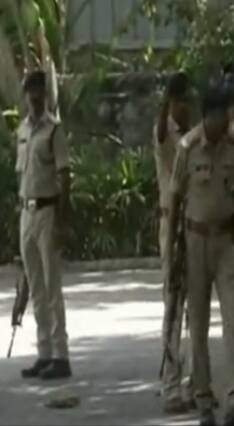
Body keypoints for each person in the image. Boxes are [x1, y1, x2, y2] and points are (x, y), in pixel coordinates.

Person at [166, 83, 234, 426]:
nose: (231, 118)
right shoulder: (187, 147)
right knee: (197, 324)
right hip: (194, 243)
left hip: (226, 242)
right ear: (210, 114)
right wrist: (172, 253)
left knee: (233, 315)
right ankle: (203, 397)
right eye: (226, 112)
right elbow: (175, 201)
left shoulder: (233, 148)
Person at [17, 70, 72, 380]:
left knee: (52, 286)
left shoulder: (54, 130)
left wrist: (63, 220)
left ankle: (61, 355)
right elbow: (21, 174)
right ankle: (44, 352)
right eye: (30, 92)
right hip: (27, 211)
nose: (34, 97)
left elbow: (65, 175)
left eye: (38, 91)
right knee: (36, 286)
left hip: (48, 210)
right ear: (26, 95)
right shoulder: (22, 130)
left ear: (44, 94)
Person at [154, 72, 193, 414]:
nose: (186, 106)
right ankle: (171, 384)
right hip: (173, 223)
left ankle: (195, 382)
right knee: (173, 306)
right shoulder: (167, 133)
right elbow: (160, 131)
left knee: (195, 308)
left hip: (194, 225)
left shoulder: (193, 136)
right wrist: (166, 100)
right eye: (181, 100)